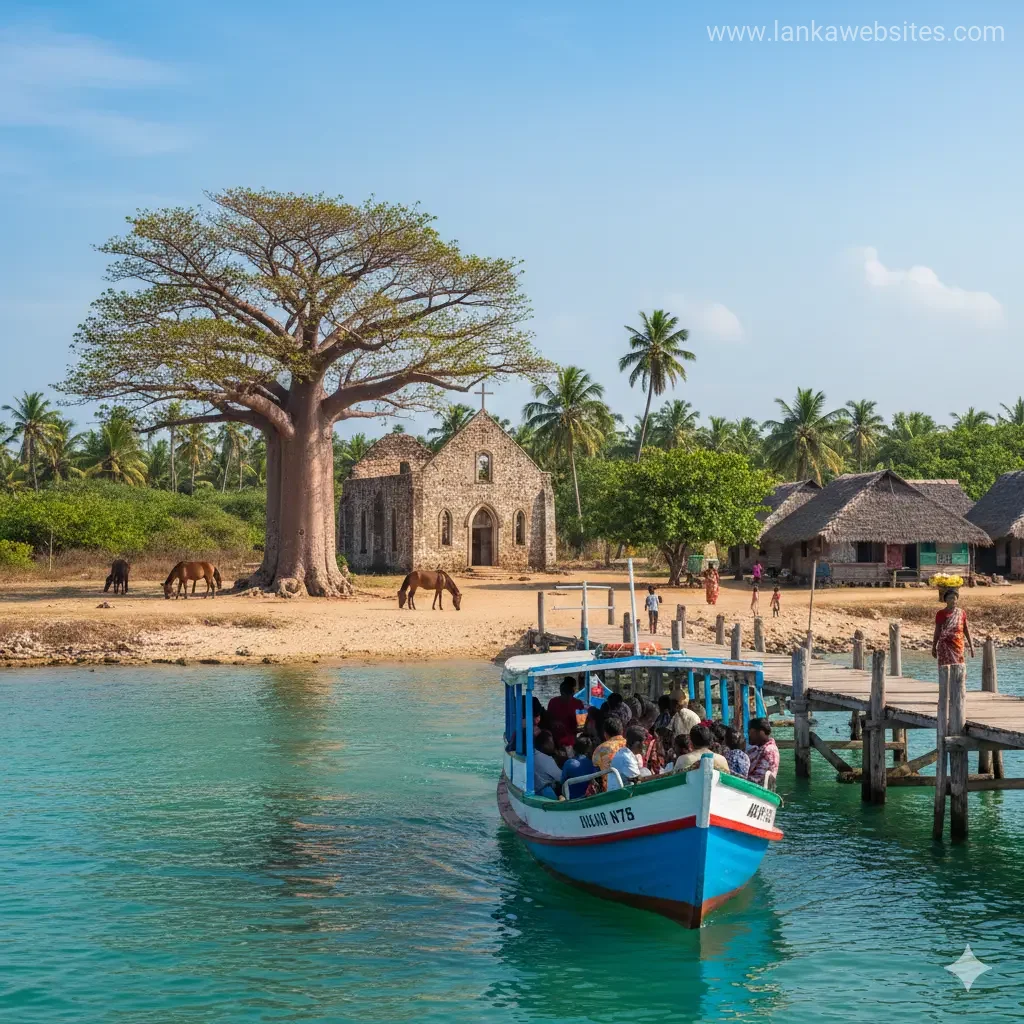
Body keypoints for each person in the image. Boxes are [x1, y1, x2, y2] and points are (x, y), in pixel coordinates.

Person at [932, 588, 975, 665]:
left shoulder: (961, 613)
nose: (953, 600)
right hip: (944, 646)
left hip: (958, 646)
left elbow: (966, 629)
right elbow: (937, 631)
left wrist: (971, 646)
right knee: (945, 669)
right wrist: (934, 647)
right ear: (946, 600)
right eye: (950, 598)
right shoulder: (940, 613)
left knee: (959, 668)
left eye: (954, 598)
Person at [607, 725, 653, 790]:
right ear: (637, 744)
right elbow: (639, 780)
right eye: (644, 743)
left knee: (645, 771)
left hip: (623, 791)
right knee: (646, 772)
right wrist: (665, 775)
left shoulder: (626, 753)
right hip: (618, 795)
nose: (646, 745)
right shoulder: (626, 757)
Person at [591, 716, 627, 792]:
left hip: (609, 790)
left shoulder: (600, 749)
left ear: (605, 734)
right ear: (622, 731)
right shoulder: (629, 743)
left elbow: (596, 772)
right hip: (630, 784)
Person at [547, 677, 585, 748]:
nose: (567, 699)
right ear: (561, 693)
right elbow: (548, 720)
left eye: (569, 696)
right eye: (565, 696)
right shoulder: (553, 702)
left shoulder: (579, 704)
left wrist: (577, 728)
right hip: (556, 739)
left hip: (572, 740)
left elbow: (582, 725)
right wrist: (555, 723)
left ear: (572, 694)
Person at [560, 735, 596, 799]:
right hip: (588, 797)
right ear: (589, 750)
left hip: (571, 799)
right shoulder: (592, 763)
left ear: (574, 749)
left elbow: (562, 781)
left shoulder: (568, 763)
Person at [746, 718, 780, 787]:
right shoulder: (757, 749)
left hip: (756, 792)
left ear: (761, 732)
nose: (749, 736)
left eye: (751, 732)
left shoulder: (770, 751)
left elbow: (759, 779)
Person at [533, 730, 563, 798]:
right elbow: (560, 777)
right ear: (545, 744)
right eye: (551, 742)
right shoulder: (546, 759)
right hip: (545, 792)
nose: (553, 744)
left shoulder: (533, 754)